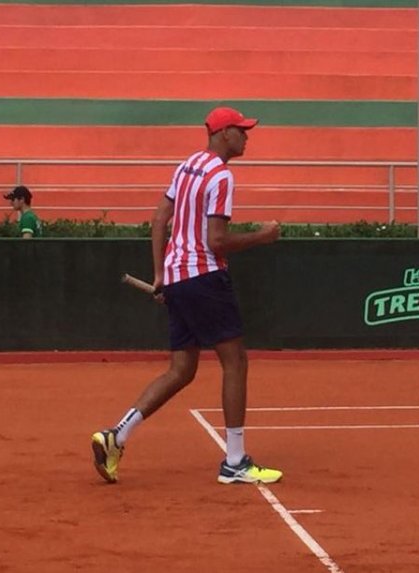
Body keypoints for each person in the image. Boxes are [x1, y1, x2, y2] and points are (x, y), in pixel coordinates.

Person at [91, 106, 283, 485]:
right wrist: (264, 237)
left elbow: (159, 218)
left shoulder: (187, 165)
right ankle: (235, 462)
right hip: (205, 278)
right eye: (242, 130)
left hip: (179, 276)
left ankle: (117, 436)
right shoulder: (221, 177)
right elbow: (217, 241)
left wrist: (162, 274)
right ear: (224, 133)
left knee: (181, 369)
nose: (247, 137)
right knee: (236, 362)